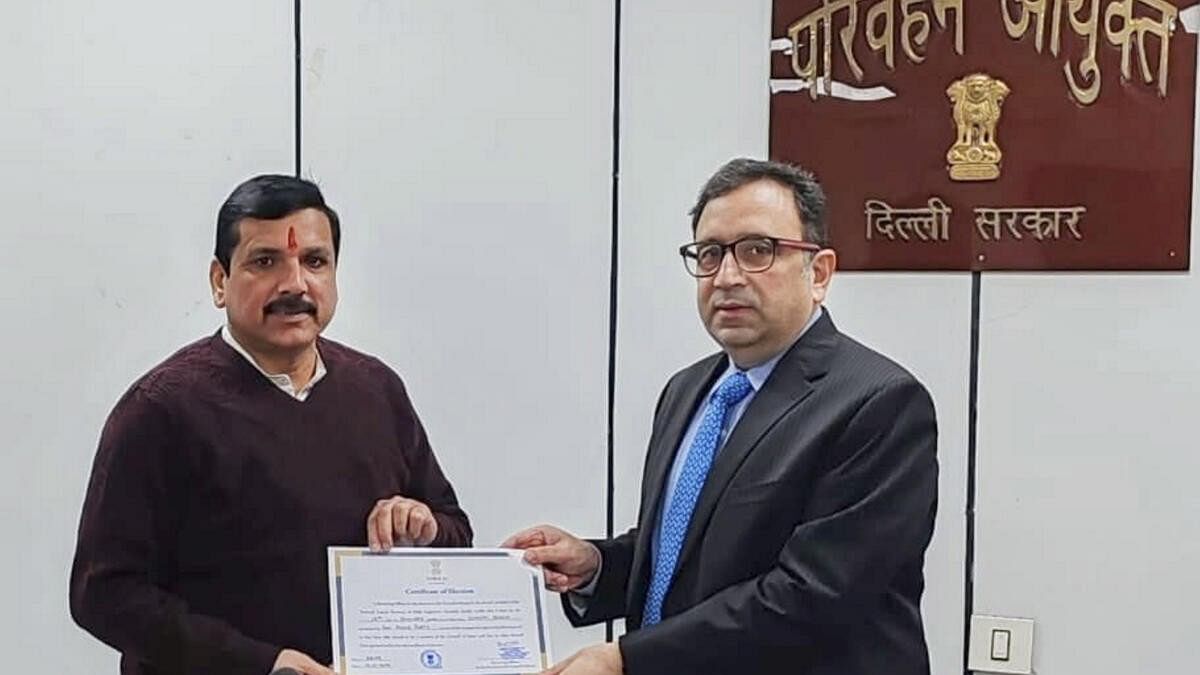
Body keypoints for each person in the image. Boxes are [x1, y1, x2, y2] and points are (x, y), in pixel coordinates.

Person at [504, 158, 938, 675]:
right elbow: (687, 556)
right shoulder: (689, 390)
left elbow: (812, 596)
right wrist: (597, 566)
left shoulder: (878, 401)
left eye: (758, 251)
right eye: (710, 254)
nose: (727, 276)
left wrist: (624, 659)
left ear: (818, 273)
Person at [70, 175, 472, 675]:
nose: (294, 284)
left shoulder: (378, 390)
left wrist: (424, 527)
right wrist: (261, 665)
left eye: (315, 262)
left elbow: (455, 532)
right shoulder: (160, 409)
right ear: (220, 281)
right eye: (265, 262)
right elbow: (103, 593)